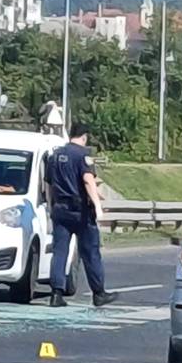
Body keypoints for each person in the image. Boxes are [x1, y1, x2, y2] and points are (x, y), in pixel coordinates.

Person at [46, 122, 117, 308]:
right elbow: (88, 181)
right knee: (90, 252)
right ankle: (99, 293)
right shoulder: (82, 156)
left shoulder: (54, 155)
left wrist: (51, 205)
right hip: (81, 212)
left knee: (60, 251)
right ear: (84, 137)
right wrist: (98, 206)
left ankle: (56, 293)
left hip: (60, 209)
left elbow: (48, 184)